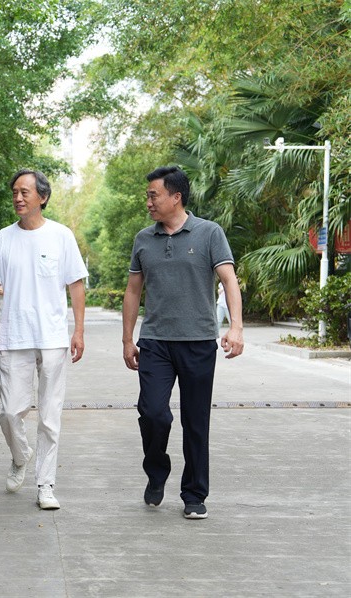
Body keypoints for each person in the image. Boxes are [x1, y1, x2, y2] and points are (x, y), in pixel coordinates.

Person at [122, 166, 243, 520]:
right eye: (147, 196)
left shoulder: (209, 233)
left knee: (196, 421)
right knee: (152, 413)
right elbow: (133, 291)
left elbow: (229, 281)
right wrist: (127, 339)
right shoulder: (144, 239)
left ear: (176, 197)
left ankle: (194, 494)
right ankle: (156, 470)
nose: (148, 202)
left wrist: (236, 328)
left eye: (153, 195)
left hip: (198, 341)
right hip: (155, 341)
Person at [0, 169, 88, 511]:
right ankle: (20, 455)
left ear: (43, 197)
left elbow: (76, 285)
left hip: (53, 338)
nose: (18, 197)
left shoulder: (61, 236)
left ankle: (46, 485)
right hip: (14, 336)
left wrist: (79, 330)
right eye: (14, 191)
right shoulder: (3, 239)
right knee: (10, 413)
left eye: (24, 192)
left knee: (50, 416)